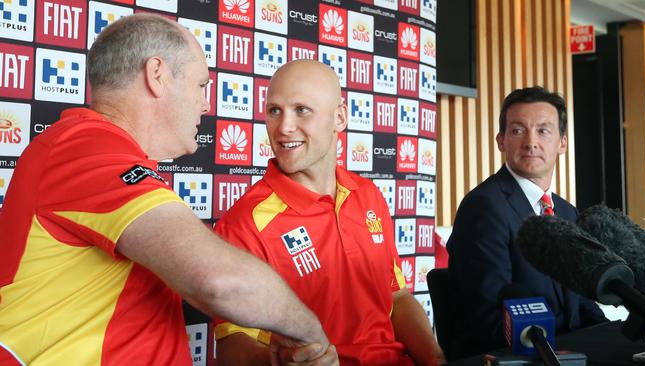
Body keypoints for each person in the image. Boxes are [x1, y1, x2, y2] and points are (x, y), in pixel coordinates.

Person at [0, 14, 336, 365]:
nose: (206, 105)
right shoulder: (86, 149)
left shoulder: (95, 152)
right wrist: (311, 334)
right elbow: (220, 280)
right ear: (157, 75)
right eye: (201, 86)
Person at [212, 59, 446, 366]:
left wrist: (436, 359)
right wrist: (281, 362)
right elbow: (231, 346)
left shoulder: (369, 196)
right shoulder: (244, 223)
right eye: (274, 111)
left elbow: (397, 297)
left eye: (302, 110)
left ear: (339, 118)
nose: (283, 127)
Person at [446, 86, 607, 359]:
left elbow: (581, 302)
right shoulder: (484, 208)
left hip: (567, 350)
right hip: (515, 355)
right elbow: (491, 321)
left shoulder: (566, 212)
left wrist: (607, 335)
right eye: (518, 130)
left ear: (562, 142)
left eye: (543, 130)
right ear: (501, 141)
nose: (531, 141)